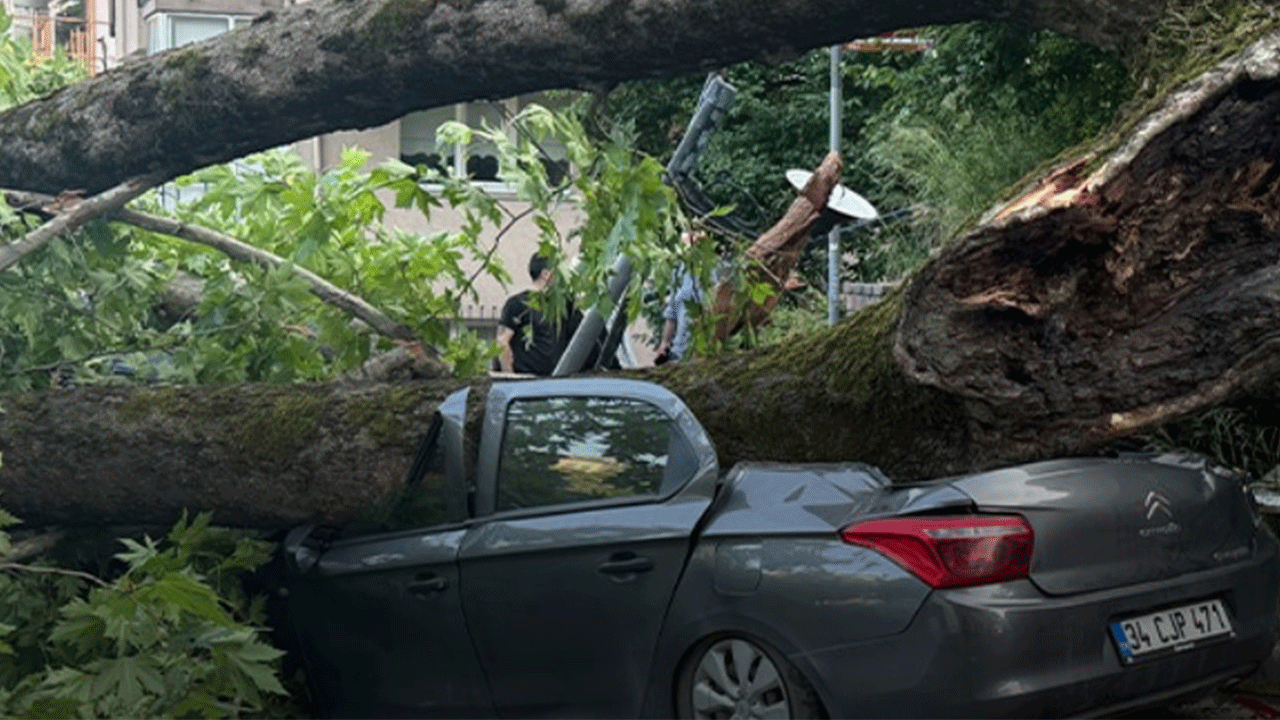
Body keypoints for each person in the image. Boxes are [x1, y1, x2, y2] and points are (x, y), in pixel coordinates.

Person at [497, 252, 577, 375]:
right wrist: (509, 376)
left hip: (556, 381)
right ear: (546, 274)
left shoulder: (563, 306)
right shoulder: (518, 304)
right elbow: (502, 341)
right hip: (527, 380)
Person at [654, 232, 706, 364]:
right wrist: (664, 343)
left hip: (699, 357)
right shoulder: (678, 271)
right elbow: (672, 313)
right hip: (677, 354)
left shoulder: (713, 272)